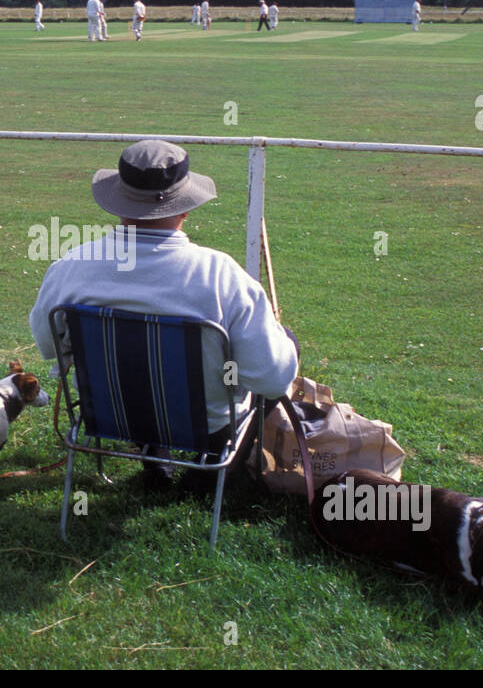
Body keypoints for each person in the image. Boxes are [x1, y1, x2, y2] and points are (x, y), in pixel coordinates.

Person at [29, 140, 300, 490]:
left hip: (110, 417)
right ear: (185, 208)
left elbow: (48, 345)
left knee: (139, 365)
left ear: (117, 202)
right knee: (283, 345)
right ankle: (210, 476)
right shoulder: (221, 275)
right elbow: (272, 379)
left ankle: (154, 459)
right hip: (207, 426)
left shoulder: (71, 266)